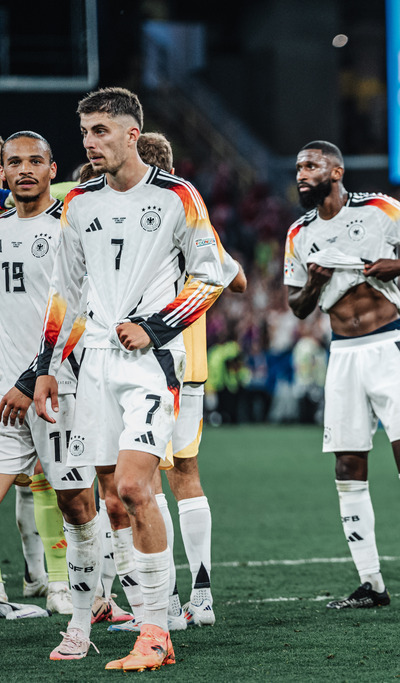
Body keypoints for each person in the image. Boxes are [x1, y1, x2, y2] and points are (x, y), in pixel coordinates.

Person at [30, 87, 237, 669]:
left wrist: (156, 326)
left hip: (150, 361)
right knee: (112, 503)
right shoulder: (79, 203)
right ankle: (149, 620)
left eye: (100, 130)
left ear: (131, 133)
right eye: (85, 132)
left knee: (134, 488)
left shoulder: (177, 196)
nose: (90, 142)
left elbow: (211, 275)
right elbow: (65, 294)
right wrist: (47, 368)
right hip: (92, 362)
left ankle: (156, 632)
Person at [284, 139, 400, 610]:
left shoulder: (379, 209)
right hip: (342, 354)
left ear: (336, 172)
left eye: (311, 165)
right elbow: (296, 306)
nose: (302, 174)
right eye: (298, 167)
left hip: (389, 346)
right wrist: (315, 283)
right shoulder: (298, 233)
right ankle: (371, 583)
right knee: (347, 467)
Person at [0, 132, 93, 619]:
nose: (25, 170)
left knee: (75, 503)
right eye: (15, 162)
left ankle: (94, 596)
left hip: (57, 389)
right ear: (3, 172)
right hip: (5, 396)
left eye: (35, 161)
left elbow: (79, 315)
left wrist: (31, 375)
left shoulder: (68, 230)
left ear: (53, 170)